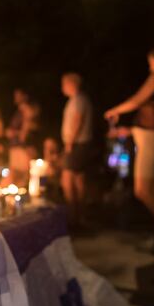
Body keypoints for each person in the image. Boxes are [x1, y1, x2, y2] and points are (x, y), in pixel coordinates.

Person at [104, 47, 154, 254]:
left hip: (151, 139)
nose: (149, 65)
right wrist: (129, 129)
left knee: (142, 190)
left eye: (150, 60)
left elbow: (139, 99)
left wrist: (116, 110)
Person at [60, 73, 93, 227]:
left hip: (77, 145)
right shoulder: (77, 100)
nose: (62, 87)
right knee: (78, 180)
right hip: (79, 145)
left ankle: (74, 217)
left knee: (68, 180)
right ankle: (80, 217)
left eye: (64, 84)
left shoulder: (78, 100)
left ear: (72, 84)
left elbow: (77, 120)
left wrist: (70, 142)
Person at [6, 88, 41, 185]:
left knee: (25, 174)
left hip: (23, 146)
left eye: (18, 95)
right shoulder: (19, 111)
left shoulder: (28, 109)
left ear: (25, 96)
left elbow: (28, 127)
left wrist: (20, 136)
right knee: (16, 174)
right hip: (16, 145)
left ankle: (29, 195)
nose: (16, 98)